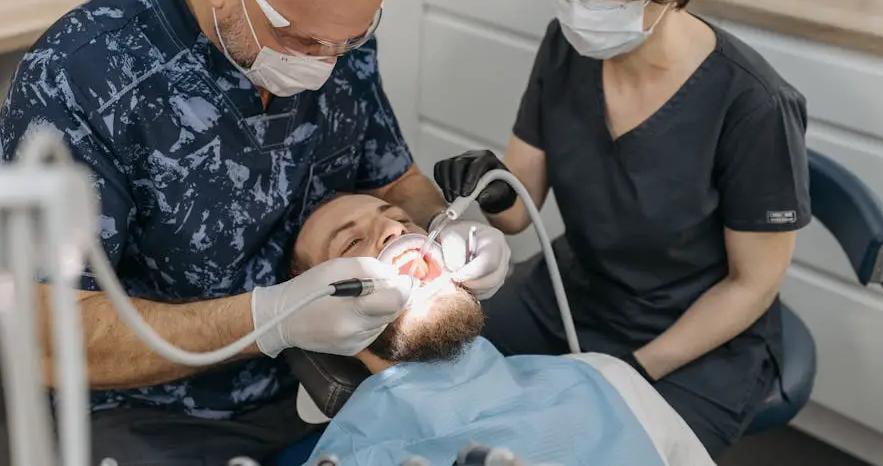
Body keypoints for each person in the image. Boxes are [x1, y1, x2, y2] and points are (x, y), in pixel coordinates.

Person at [0, 0, 510, 465]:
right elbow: (51, 340)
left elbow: (393, 181)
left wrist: (452, 230)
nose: (326, 65)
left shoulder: (331, 34)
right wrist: (270, 320)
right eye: (303, 42)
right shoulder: (80, 82)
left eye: (353, 40)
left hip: (337, 371)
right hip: (161, 410)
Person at [433, 0, 810, 458]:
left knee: (597, 446)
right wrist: (492, 185)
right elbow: (520, 211)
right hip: (573, 296)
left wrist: (632, 369)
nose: (577, 2)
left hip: (694, 340)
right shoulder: (566, 48)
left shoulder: (753, 104)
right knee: (434, 372)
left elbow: (751, 286)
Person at [288, 193, 715, 466]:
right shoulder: (353, 459)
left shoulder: (602, 378)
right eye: (350, 244)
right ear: (326, 321)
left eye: (401, 219)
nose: (395, 230)